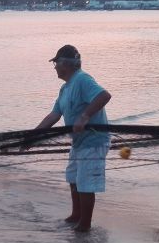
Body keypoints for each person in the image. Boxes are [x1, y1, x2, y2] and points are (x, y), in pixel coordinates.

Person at [26, 44, 112, 233]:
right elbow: (53, 116)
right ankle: (76, 215)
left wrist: (84, 116)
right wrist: (31, 137)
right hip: (79, 142)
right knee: (74, 178)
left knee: (86, 182)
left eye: (56, 62)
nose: (55, 67)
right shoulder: (65, 89)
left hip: (94, 141)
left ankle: (85, 225)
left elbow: (104, 96)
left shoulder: (82, 79)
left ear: (66, 64)